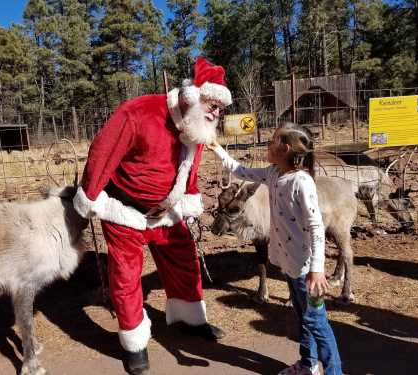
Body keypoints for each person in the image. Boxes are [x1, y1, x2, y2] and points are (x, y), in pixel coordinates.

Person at [72, 57, 232, 374]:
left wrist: (190, 198)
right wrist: (89, 196)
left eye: (220, 107)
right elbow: (103, 150)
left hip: (168, 212)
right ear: (190, 94)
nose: (215, 111)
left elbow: (191, 169)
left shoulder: (195, 124)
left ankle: (190, 320)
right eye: (211, 103)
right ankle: (135, 346)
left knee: (184, 260)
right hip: (125, 212)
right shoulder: (140, 112)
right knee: (126, 276)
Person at [208, 124, 342, 375]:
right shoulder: (272, 174)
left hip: (308, 270)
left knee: (317, 322)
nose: (267, 146)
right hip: (291, 267)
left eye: (271, 142)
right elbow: (240, 170)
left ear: (285, 148)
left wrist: (317, 269)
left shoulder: (302, 182)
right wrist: (216, 148)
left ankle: (334, 371)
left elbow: (316, 228)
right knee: (303, 317)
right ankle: (308, 363)